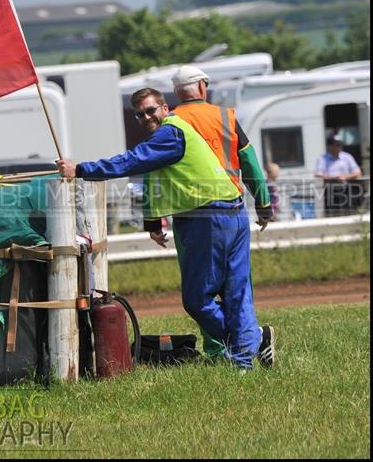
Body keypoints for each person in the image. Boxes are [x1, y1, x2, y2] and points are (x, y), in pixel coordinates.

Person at [56, 87, 275, 371]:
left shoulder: (170, 134)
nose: (146, 117)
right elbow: (154, 180)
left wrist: (81, 170)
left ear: (165, 108)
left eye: (150, 110)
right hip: (231, 212)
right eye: (140, 114)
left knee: (198, 300)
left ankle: (252, 341)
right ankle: (244, 363)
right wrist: (152, 220)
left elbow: (130, 162)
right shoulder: (171, 133)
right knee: (237, 293)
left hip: (207, 219)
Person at [170, 65, 275, 360]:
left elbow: (157, 171)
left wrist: (152, 216)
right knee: (236, 286)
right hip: (232, 209)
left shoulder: (171, 121)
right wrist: (264, 204)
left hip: (190, 212)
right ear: (203, 87)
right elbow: (250, 162)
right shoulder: (225, 116)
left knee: (200, 286)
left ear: (177, 92)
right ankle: (249, 342)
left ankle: (223, 348)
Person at [315, 136, 362, 217]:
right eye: (336, 145)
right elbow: (318, 174)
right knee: (332, 216)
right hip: (330, 192)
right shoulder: (322, 159)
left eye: (340, 144)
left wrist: (346, 177)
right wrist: (333, 179)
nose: (339, 147)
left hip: (347, 191)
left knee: (350, 214)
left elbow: (358, 173)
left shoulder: (347, 157)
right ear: (329, 146)